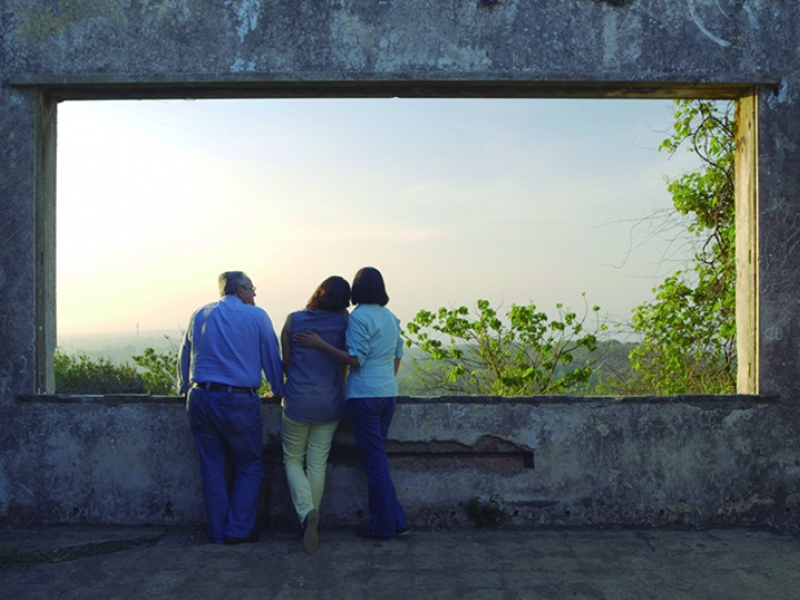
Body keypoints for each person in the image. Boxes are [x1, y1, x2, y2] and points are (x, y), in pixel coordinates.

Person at [294, 267, 409, 541]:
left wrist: (321, 344)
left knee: (374, 462)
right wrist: (385, 381)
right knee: (377, 458)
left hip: (364, 395)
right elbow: (398, 353)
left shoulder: (358, 318)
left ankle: (383, 526)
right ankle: (397, 522)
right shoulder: (390, 317)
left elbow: (356, 359)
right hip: (386, 393)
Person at [178, 271, 284, 545]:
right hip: (238, 400)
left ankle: (216, 532)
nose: (254, 294)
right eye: (252, 288)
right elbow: (271, 356)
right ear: (240, 290)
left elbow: (184, 355)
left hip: (200, 397)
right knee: (249, 465)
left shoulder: (199, 314)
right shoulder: (257, 316)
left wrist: (182, 387)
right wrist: (279, 389)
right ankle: (237, 530)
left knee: (212, 466)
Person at [280, 276, 351, 553]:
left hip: (297, 400)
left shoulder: (293, 320)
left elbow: (286, 362)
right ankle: (313, 517)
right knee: (318, 462)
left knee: (292, 460)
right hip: (330, 402)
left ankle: (307, 512)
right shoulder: (344, 321)